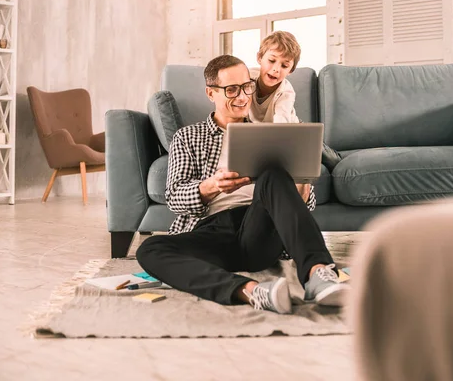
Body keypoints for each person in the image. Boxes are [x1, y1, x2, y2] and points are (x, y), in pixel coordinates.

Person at [136, 54, 350, 315]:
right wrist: (211, 186)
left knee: (273, 174)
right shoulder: (188, 137)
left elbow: (302, 205)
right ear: (210, 93)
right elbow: (174, 197)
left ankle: (318, 274)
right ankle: (251, 291)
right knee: (150, 249)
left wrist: (302, 182)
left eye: (247, 86)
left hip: (260, 228)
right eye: (231, 90)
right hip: (211, 232)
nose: (242, 97)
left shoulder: (271, 131)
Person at [249, 30, 343, 170]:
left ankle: (339, 157)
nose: (276, 69)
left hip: (292, 128)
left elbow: (281, 126)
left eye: (284, 65)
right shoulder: (246, 78)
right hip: (262, 131)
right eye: (271, 60)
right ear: (259, 58)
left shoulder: (286, 91)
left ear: (291, 70)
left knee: (332, 161)